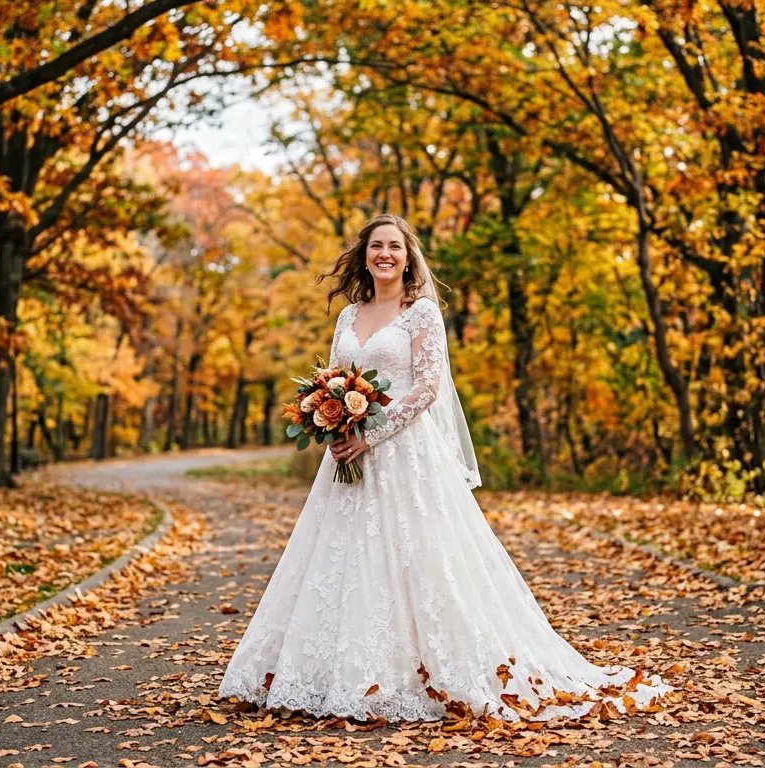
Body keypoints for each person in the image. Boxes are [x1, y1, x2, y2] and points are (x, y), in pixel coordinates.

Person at [218, 214, 670, 722]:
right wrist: (334, 422)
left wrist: (370, 435)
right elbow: (335, 378)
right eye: (375, 246)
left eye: (394, 246)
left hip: (406, 455)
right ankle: (333, 673)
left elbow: (427, 388)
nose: (384, 254)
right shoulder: (348, 316)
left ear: (408, 256)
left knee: (421, 561)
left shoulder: (422, 314)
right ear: (363, 255)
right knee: (344, 561)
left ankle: (425, 674)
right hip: (347, 458)